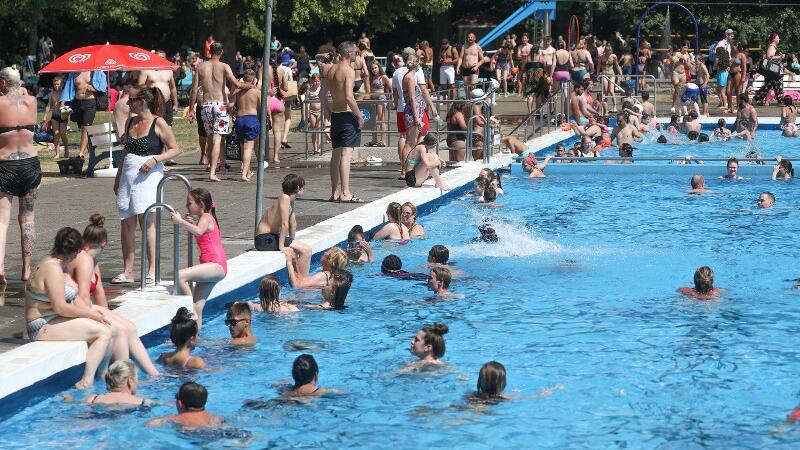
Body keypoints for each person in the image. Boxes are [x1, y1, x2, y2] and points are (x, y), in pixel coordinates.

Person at [68, 214, 158, 377]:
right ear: (104, 243)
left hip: (86, 306)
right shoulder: (84, 260)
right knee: (120, 330)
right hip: (79, 308)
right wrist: (102, 319)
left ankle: (153, 374)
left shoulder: (92, 260)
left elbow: (99, 290)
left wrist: (107, 313)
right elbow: (82, 298)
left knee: (129, 326)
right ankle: (124, 379)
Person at [25, 227, 112, 389]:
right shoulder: (52, 269)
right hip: (41, 325)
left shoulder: (57, 263)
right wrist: (89, 314)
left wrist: (92, 312)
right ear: (77, 251)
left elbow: (72, 298)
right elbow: (60, 308)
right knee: (103, 333)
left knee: (107, 327)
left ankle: (102, 377)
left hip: (53, 319)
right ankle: (86, 382)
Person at [112, 85, 180, 285]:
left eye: (131, 100)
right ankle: (128, 271)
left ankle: (152, 270)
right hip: (128, 175)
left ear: (141, 102)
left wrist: (156, 159)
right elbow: (125, 152)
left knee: (148, 221)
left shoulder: (158, 123)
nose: (127, 103)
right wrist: (118, 177)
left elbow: (175, 149)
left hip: (148, 176)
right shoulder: (131, 122)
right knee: (126, 221)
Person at [189, 42, 253, 182]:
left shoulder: (200, 67)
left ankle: (212, 165)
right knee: (217, 138)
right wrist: (251, 85)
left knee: (211, 137)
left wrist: (191, 108)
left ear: (210, 52)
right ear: (221, 52)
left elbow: (194, 90)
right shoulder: (224, 66)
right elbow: (236, 84)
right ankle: (212, 172)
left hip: (206, 105)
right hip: (220, 105)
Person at [0, 67, 41, 283]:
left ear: (3, 83)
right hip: (30, 164)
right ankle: (26, 270)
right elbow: (23, 94)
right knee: (27, 219)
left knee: (1, 221)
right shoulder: (32, 102)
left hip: (5, 164)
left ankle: (0, 267)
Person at [170, 188, 227, 329]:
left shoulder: (206, 217)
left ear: (201, 204)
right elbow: (199, 231)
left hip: (215, 265)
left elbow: (199, 231)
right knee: (198, 307)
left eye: (189, 203)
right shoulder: (205, 218)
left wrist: (180, 221)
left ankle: (189, 312)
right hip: (215, 266)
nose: (186, 206)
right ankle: (195, 337)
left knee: (179, 275)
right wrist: (189, 223)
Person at [325, 41, 365, 203]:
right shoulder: (348, 70)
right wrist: (359, 116)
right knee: (346, 154)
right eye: (355, 52)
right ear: (349, 53)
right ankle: (346, 193)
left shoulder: (331, 69)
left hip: (336, 114)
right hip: (347, 116)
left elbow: (322, 95)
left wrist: (328, 111)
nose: (357, 55)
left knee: (335, 154)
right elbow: (349, 96)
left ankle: (334, 193)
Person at [255, 174, 312, 270]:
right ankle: (302, 279)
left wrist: (292, 241)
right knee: (306, 250)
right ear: (298, 187)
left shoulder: (290, 199)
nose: (304, 189)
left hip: (272, 237)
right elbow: (284, 224)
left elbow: (292, 223)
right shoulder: (284, 198)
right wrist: (282, 247)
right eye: (303, 187)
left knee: (302, 250)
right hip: (264, 240)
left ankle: (299, 276)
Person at [283, 246, 352, 309]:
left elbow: (296, 285)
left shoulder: (324, 275)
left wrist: (289, 263)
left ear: (330, 260)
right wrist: (294, 261)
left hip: (308, 299)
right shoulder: (331, 276)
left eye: (326, 253)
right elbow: (302, 280)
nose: (324, 252)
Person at [59, 70, 107, 157]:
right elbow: (67, 89)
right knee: (82, 128)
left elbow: (103, 86)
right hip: (77, 102)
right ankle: (90, 150)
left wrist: (94, 89)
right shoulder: (73, 73)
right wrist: (63, 103)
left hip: (90, 102)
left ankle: (81, 153)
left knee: (86, 128)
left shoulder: (97, 72)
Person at [147, 382, 222, 428]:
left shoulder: (174, 419)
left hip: (192, 434)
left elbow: (149, 424)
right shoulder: (217, 418)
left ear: (180, 403)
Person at [230, 69, 261, 181]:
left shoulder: (238, 91)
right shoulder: (256, 91)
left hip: (240, 119)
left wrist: (232, 112)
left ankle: (247, 172)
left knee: (243, 148)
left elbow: (231, 104)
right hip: (251, 119)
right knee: (248, 149)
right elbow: (263, 107)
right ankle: (244, 174)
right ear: (253, 79)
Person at [137, 51, 179, 127]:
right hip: (152, 103)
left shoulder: (169, 70)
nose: (159, 59)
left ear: (165, 59)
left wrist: (175, 104)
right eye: (157, 57)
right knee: (152, 126)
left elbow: (172, 88)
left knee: (167, 126)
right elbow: (140, 87)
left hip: (167, 103)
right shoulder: (146, 69)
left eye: (162, 57)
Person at [84, 360, 150, 406]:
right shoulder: (144, 403)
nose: (137, 382)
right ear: (129, 381)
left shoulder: (92, 399)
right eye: (136, 378)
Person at [754, 32, 784, 106]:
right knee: (775, 85)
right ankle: (780, 101)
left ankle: (757, 98)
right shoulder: (772, 47)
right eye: (777, 37)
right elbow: (769, 57)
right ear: (774, 39)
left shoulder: (774, 47)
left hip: (773, 71)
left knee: (768, 86)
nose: (779, 39)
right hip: (773, 71)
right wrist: (780, 57)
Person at [366, 61, 391, 147]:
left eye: (375, 68)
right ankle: (374, 140)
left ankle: (383, 140)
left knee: (381, 120)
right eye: (372, 68)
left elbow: (391, 86)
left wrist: (392, 98)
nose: (374, 70)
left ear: (379, 67)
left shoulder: (383, 77)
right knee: (372, 120)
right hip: (373, 99)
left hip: (381, 98)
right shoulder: (371, 77)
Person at [43, 76, 68, 158]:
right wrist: (45, 116)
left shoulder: (65, 93)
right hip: (55, 115)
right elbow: (49, 105)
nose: (56, 86)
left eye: (58, 84)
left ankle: (66, 149)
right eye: (55, 84)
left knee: (63, 133)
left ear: (62, 84)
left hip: (63, 115)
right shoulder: (52, 94)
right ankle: (57, 153)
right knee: (56, 134)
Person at [714, 29, 734, 111]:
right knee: (720, 88)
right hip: (723, 67)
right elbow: (718, 56)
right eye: (731, 35)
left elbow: (727, 57)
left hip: (725, 68)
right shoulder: (721, 44)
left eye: (733, 35)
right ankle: (723, 102)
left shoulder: (728, 44)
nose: (733, 37)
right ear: (727, 35)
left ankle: (724, 103)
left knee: (721, 88)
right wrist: (716, 65)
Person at [305, 74, 323, 154]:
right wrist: (305, 114)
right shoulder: (309, 90)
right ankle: (314, 147)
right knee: (314, 129)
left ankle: (319, 147)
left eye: (318, 81)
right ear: (312, 81)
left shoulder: (321, 89)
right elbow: (305, 101)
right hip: (312, 111)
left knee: (318, 128)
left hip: (320, 111)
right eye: (315, 81)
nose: (317, 83)